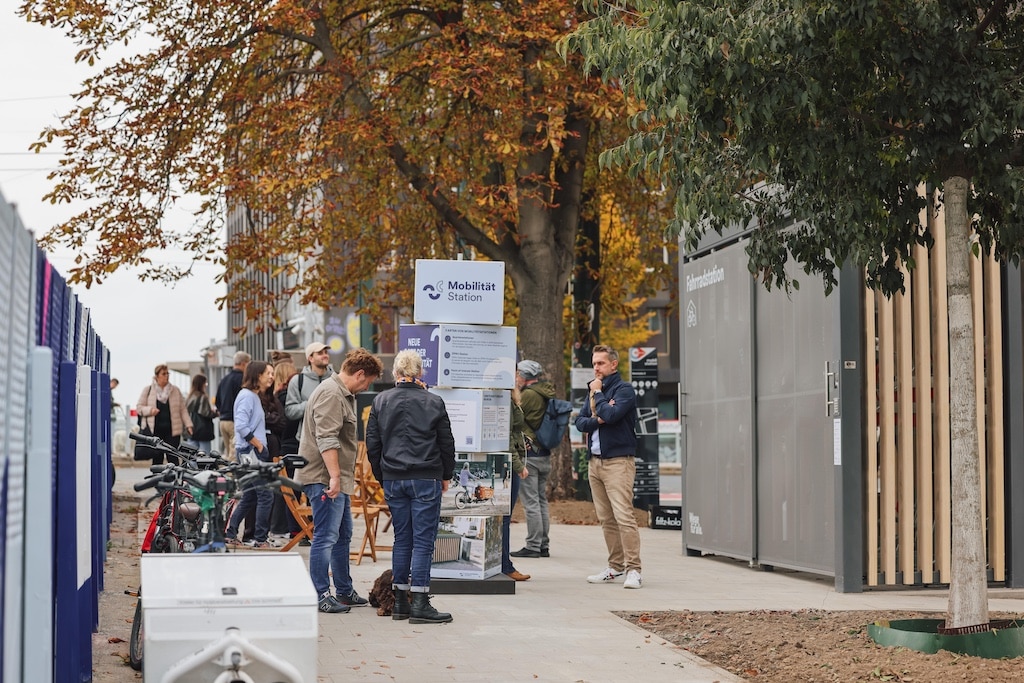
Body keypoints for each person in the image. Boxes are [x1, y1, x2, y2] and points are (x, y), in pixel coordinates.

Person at [365, 349, 455, 624]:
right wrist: (446, 475)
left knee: (402, 540)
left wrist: (383, 476)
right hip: (426, 476)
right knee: (424, 543)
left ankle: (400, 602)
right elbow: (446, 443)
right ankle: (421, 603)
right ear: (420, 374)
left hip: (394, 478)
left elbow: (373, 445)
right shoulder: (434, 402)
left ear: (395, 374)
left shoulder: (380, 401)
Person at [297, 348, 383, 614]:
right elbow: (327, 439)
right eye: (367, 381)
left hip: (337, 478)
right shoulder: (331, 394)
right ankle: (320, 594)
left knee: (343, 534)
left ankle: (344, 591)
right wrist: (334, 477)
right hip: (325, 477)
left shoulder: (344, 394)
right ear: (359, 374)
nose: (367, 386)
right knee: (325, 536)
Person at [574, 344, 642, 589]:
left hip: (618, 463)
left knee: (624, 516)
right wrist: (598, 417)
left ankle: (634, 569)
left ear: (614, 364)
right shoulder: (593, 389)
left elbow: (612, 416)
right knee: (606, 518)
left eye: (600, 363)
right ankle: (615, 566)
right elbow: (580, 422)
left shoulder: (623, 389)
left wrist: (600, 397)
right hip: (595, 463)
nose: (596, 368)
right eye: (594, 364)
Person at [225, 361, 276, 548]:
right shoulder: (247, 396)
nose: (271, 377)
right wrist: (259, 446)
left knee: (251, 496)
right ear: (257, 375)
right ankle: (261, 540)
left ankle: (231, 534)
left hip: (249, 452)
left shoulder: (252, 396)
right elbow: (241, 425)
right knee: (266, 495)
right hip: (251, 453)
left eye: (273, 373)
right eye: (268, 373)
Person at [510, 359, 555, 559]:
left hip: (531, 455)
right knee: (541, 500)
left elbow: (517, 419)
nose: (517, 377)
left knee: (531, 503)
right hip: (544, 454)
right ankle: (543, 544)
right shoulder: (545, 392)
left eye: (519, 373)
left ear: (525, 376)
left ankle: (533, 545)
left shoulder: (528, 395)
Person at [136, 364, 193, 465]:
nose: (166, 376)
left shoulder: (175, 390)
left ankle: (175, 479)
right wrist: (150, 410)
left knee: (173, 457)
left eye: (167, 373)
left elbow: (183, 409)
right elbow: (139, 408)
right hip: (155, 431)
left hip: (172, 431)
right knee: (157, 458)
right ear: (157, 376)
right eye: (163, 374)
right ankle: (157, 479)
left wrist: (188, 425)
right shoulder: (148, 390)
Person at [502, 387, 531, 582]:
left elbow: (513, 433)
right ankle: (505, 564)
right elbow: (506, 436)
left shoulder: (510, 397)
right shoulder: (505, 398)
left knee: (505, 518)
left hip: (511, 460)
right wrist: (518, 465)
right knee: (504, 518)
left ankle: (503, 563)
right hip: (510, 464)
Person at [285, 342, 334, 443]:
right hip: (307, 440)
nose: (325, 355)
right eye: (320, 353)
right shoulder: (297, 380)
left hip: (333, 438)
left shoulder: (336, 379)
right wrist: (310, 404)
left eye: (326, 352)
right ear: (310, 358)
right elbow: (290, 411)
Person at [215, 351, 251, 459]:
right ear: (243, 363)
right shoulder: (243, 380)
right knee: (235, 456)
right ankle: (232, 476)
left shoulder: (224, 379)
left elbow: (217, 401)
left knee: (228, 453)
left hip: (223, 422)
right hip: (234, 422)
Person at [184, 373, 217, 454]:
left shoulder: (189, 397)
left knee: (191, 455)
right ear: (201, 384)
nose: (206, 385)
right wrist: (215, 413)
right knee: (205, 455)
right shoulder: (202, 397)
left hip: (191, 429)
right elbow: (206, 413)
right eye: (205, 383)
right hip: (203, 431)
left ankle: (192, 467)